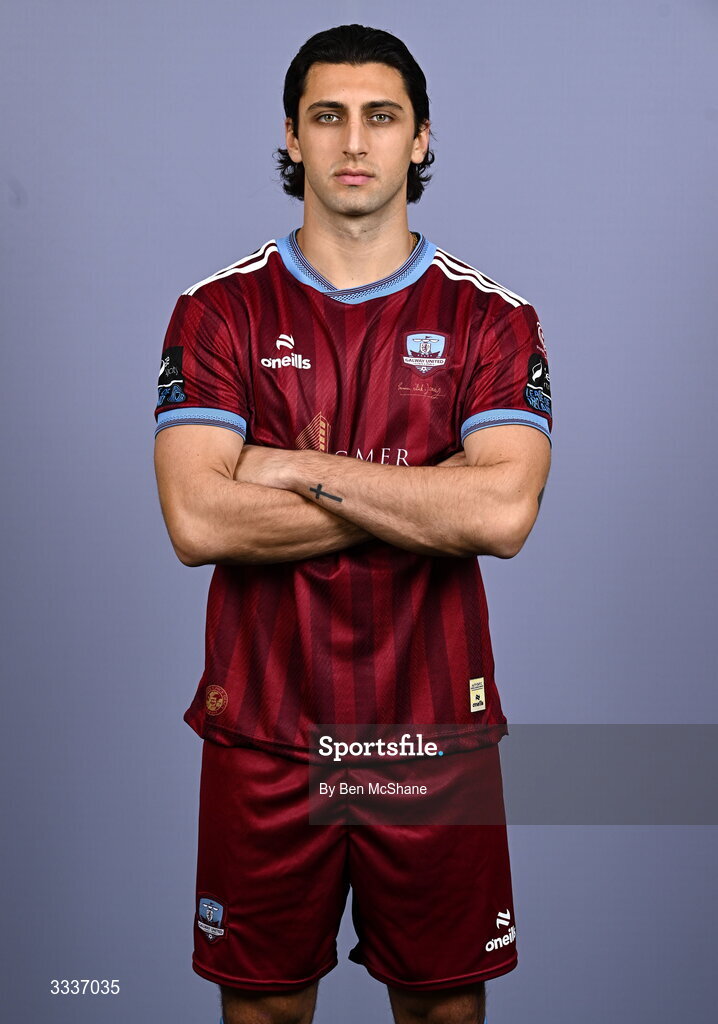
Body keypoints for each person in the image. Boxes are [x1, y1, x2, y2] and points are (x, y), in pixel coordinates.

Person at [153, 23, 552, 1024]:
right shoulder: (218, 312)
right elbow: (198, 519)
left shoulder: (491, 318)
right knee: (266, 1009)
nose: (355, 141)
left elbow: (502, 513)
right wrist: (429, 498)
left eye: (382, 116)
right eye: (327, 117)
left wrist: (287, 467)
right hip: (264, 733)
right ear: (292, 137)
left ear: (421, 138)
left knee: (442, 1010)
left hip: (434, 737)